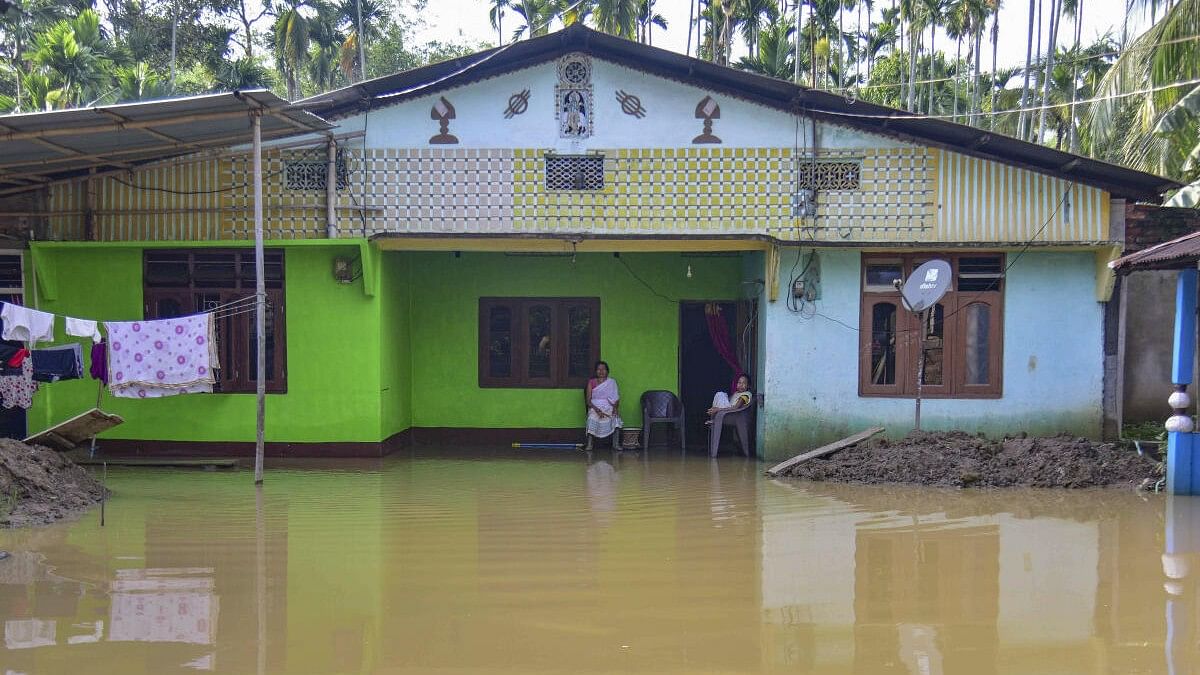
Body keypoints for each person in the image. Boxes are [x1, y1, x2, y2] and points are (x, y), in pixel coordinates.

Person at [585, 360, 621, 450]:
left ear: (607, 371)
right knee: (592, 418)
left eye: (603, 369)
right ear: (595, 371)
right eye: (598, 369)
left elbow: (616, 398)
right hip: (595, 407)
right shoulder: (591, 382)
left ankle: (615, 444)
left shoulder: (612, 382)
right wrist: (597, 410)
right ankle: (590, 444)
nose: (601, 371)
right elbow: (588, 401)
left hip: (609, 407)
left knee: (616, 420)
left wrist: (615, 409)